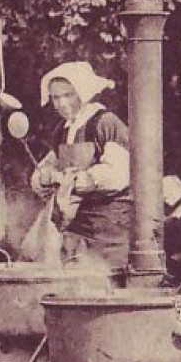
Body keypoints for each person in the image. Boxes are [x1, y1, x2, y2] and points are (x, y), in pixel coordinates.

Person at [29, 60, 132, 268]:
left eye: (68, 95)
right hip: (75, 227)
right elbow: (49, 163)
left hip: (107, 227)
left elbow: (118, 175)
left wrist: (78, 180)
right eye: (56, 98)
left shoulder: (105, 123)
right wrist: (43, 177)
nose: (62, 103)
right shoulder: (63, 130)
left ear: (83, 92)